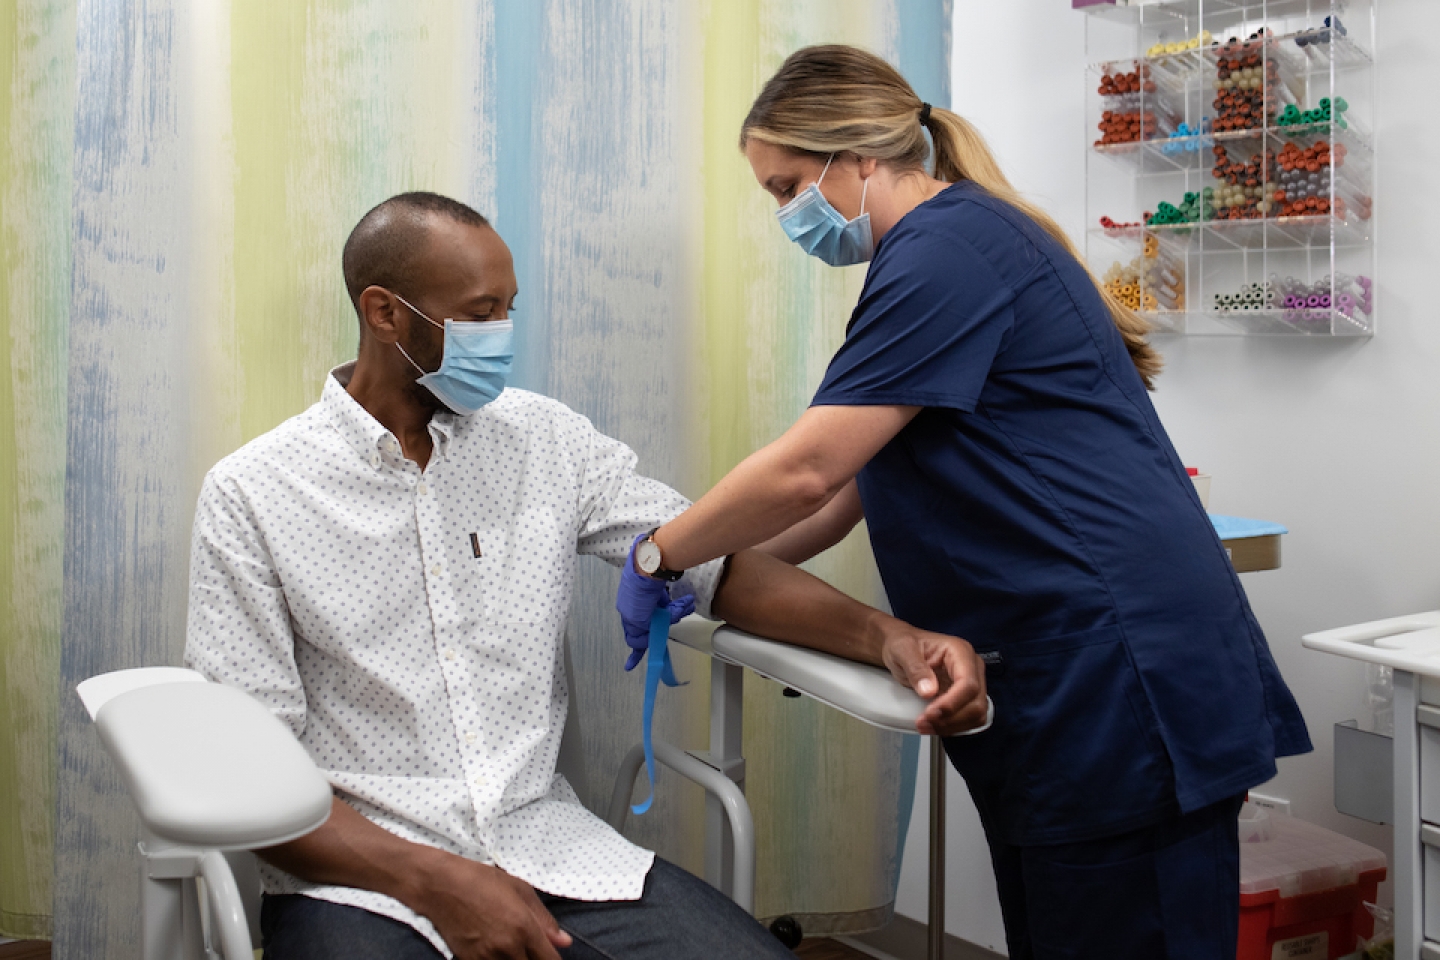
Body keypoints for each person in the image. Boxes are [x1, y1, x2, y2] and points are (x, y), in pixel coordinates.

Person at [616, 46, 1312, 960]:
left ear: (857, 157)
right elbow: (847, 496)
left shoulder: (946, 252)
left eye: (788, 186)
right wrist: (716, 576)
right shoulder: (945, 251)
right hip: (1064, 668)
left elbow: (807, 472)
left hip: (1118, 671)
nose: (787, 214)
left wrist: (659, 553)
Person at [184, 190, 988, 960]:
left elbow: (709, 563)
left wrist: (886, 636)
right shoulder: (255, 493)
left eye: (508, 307)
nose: (501, 333)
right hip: (356, 879)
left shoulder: (544, 442)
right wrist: (442, 882)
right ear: (384, 311)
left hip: (553, 852)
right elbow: (250, 774)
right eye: (476, 314)